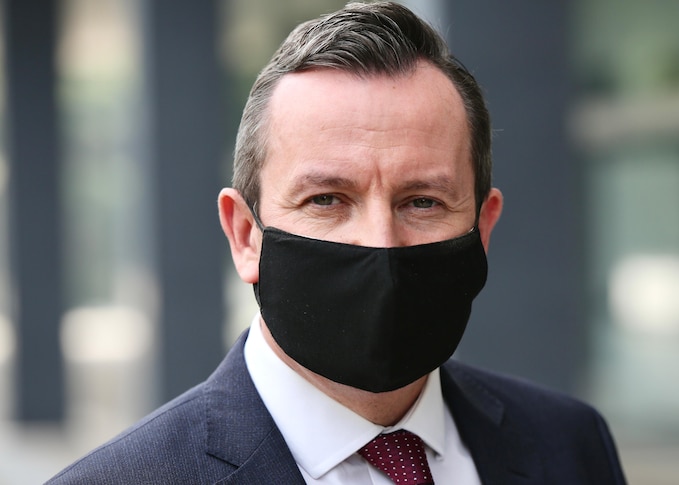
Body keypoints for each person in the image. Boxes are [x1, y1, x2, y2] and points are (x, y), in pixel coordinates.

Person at [49, 2, 626, 484]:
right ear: (245, 235)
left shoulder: (570, 446)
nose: (381, 244)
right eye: (326, 200)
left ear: (483, 228)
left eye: (422, 201)